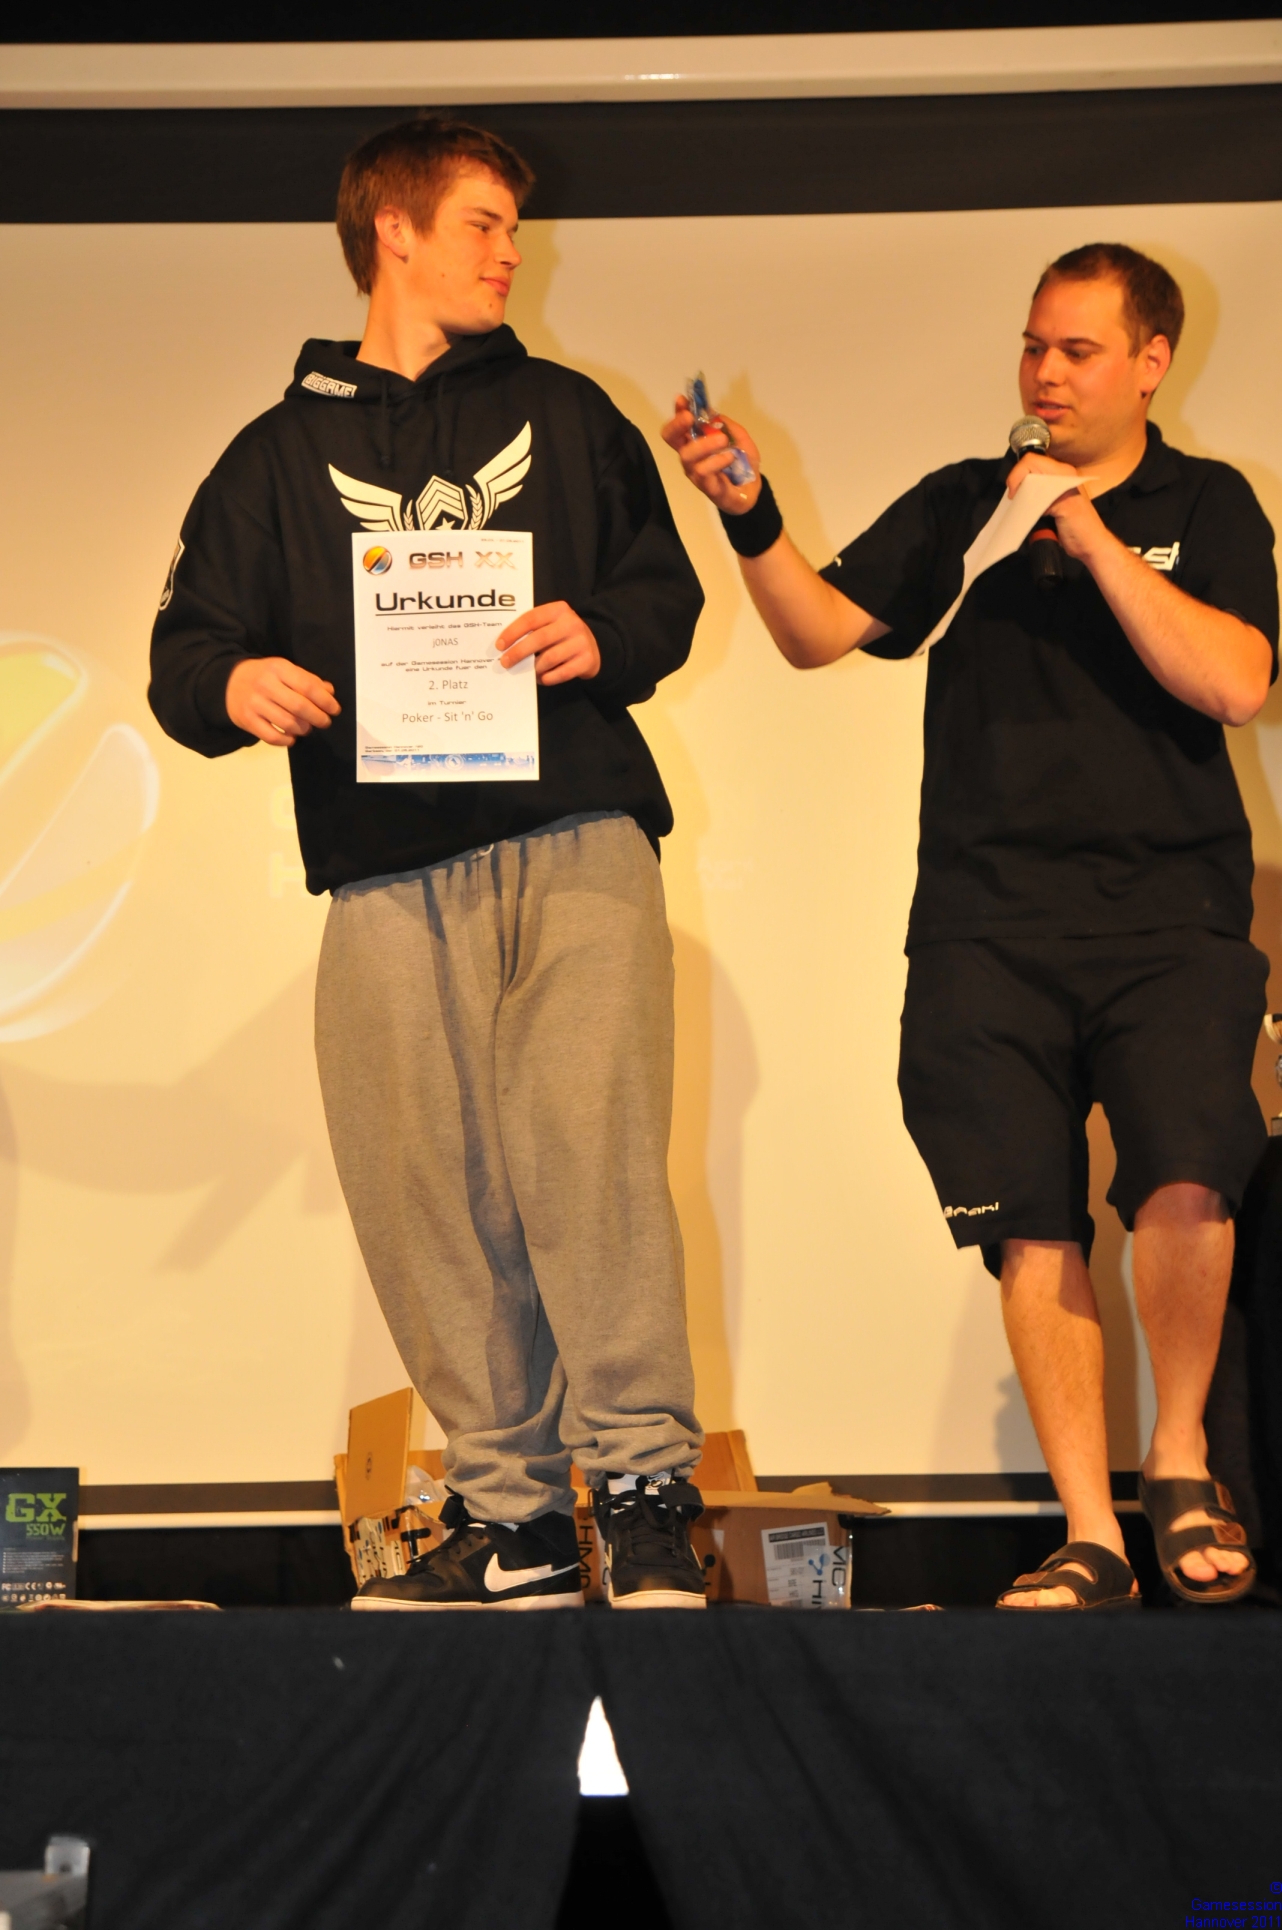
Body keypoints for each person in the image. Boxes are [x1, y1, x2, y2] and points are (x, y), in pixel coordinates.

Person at [664, 243, 1277, 1609]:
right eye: (1032, 346)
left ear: (1149, 363)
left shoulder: (1208, 503)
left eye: (1076, 351)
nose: (1044, 373)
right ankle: (1091, 1532)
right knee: (1029, 1222)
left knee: (1187, 1176)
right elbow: (817, 631)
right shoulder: (965, 501)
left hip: (1168, 916)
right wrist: (748, 514)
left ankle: (1178, 1456)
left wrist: (1087, 533)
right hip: (985, 923)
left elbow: (1236, 681)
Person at [150, 116, 710, 1610]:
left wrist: (605, 630)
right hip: (383, 869)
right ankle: (512, 1513)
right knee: (424, 1192)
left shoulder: (567, 413)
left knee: (592, 1162)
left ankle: (643, 1493)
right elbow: (183, 654)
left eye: (513, 227)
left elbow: (661, 594)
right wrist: (235, 683)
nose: (511, 250)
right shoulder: (275, 458)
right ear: (391, 233)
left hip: (574, 836)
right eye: (482, 224)